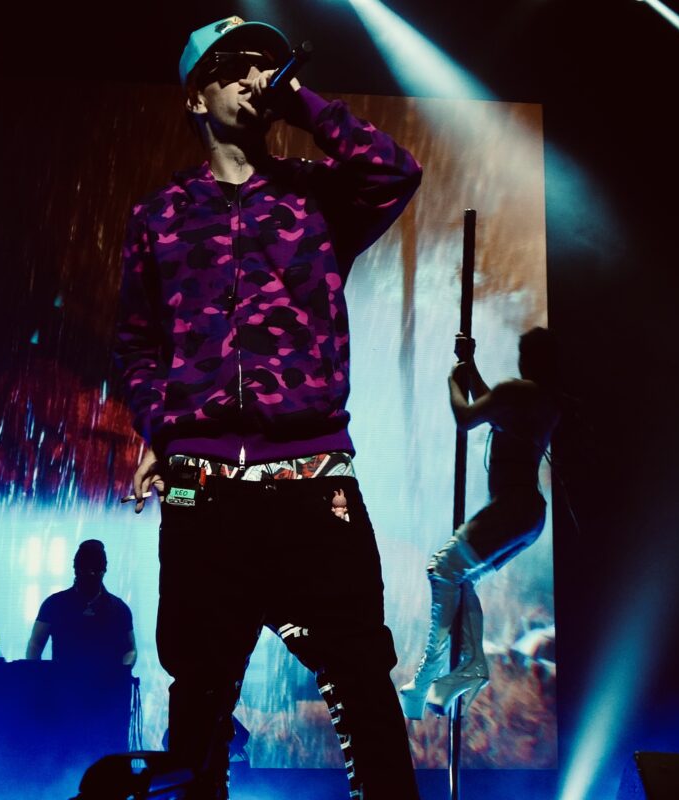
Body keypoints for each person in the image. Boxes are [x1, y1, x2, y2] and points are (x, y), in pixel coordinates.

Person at [113, 15, 422, 800]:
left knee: (362, 681)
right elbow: (135, 346)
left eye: (267, 65)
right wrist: (161, 428)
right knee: (199, 699)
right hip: (201, 491)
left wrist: (305, 105)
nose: (255, 77)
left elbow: (395, 171)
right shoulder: (159, 217)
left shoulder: (317, 197)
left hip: (315, 486)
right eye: (234, 66)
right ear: (196, 97)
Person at [398, 328, 561, 719]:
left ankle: (428, 675)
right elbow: (494, 405)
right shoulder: (543, 400)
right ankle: (470, 666)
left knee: (442, 569)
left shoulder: (516, 391)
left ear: (528, 359)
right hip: (530, 516)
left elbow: (467, 417)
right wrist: (468, 365)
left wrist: (453, 380)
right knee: (460, 578)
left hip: (512, 507)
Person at [25, 539, 137, 669]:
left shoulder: (54, 604)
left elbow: (35, 645)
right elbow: (35, 645)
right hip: (69, 681)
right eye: (85, 570)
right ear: (76, 570)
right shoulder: (54, 604)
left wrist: (122, 673)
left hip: (70, 680)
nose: (90, 574)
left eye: (95, 570)